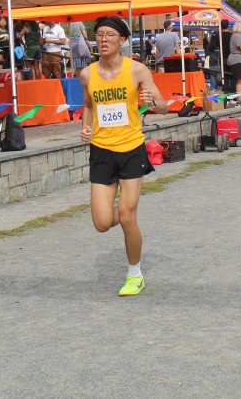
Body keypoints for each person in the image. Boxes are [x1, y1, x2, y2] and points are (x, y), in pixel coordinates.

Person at [79, 16, 168, 297]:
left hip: (131, 148)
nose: (104, 39)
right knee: (102, 223)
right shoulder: (87, 74)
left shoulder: (137, 70)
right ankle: (122, 210)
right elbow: (88, 105)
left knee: (128, 217)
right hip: (101, 151)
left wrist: (153, 103)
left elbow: (164, 105)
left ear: (122, 40)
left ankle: (135, 275)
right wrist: (85, 126)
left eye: (110, 35)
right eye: (99, 35)